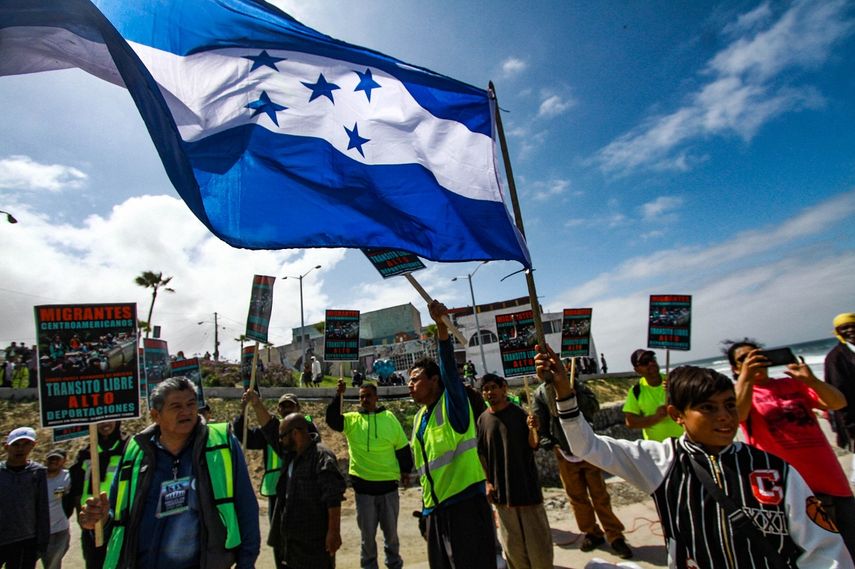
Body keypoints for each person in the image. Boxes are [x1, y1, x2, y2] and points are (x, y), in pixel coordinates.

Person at [535, 343, 854, 569]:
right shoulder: (659, 461)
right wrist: (565, 393)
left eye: (730, 405)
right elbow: (586, 446)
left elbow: (825, 551)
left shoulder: (775, 470)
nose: (725, 417)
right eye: (708, 408)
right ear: (677, 415)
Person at [79, 377, 260, 569]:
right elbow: (117, 518)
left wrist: (246, 564)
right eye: (176, 406)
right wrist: (98, 519)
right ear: (155, 415)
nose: (187, 412)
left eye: (191, 404)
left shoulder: (220, 444)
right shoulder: (136, 451)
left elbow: (246, 508)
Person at [729, 339, 855, 559]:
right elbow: (737, 415)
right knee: (808, 554)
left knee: (849, 543)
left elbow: (838, 403)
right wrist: (746, 379)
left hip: (830, 480)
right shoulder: (738, 395)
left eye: (757, 355)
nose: (754, 361)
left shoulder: (793, 384)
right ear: (735, 368)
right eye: (744, 359)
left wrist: (811, 380)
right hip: (785, 487)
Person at [408, 300, 495, 569]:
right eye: (409, 380)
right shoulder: (419, 418)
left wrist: (441, 331)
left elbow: (449, 372)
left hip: (465, 507)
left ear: (435, 381)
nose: (410, 385)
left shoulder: (453, 404)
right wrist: (426, 510)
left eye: (416, 379)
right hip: (435, 510)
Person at [532, 366, 632, 559]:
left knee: (599, 494)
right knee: (576, 497)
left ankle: (615, 535)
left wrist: (573, 392)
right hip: (564, 452)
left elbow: (593, 407)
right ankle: (591, 532)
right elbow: (541, 422)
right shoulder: (540, 394)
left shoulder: (576, 385)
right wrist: (550, 443)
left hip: (587, 450)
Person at [326, 381, 413, 569]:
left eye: (368, 396)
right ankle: (369, 566)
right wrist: (338, 396)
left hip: (388, 489)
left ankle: (394, 564)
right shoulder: (351, 420)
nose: (365, 399)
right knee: (367, 538)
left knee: (391, 536)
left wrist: (406, 471)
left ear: (376, 398)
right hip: (363, 491)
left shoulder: (390, 418)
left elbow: (402, 447)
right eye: (361, 396)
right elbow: (332, 420)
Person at [477, 373, 553, 569]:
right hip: (502, 497)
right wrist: (487, 482)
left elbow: (533, 444)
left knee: (539, 550)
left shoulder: (520, 414)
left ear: (504, 388)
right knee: (513, 551)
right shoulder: (483, 421)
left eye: (493, 387)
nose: (489, 392)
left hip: (527, 492)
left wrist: (533, 429)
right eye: (485, 389)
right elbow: (482, 456)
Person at [268, 413, 346, 569]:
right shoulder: (291, 456)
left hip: (314, 545)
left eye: (282, 436)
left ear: (295, 434)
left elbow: (333, 497)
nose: (280, 441)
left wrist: (333, 532)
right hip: (291, 544)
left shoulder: (321, 456)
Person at [234, 391, 317, 521]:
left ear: (298, 408)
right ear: (278, 409)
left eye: (291, 406)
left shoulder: (305, 426)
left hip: (300, 487)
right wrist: (243, 412)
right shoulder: (271, 430)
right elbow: (247, 438)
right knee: (277, 530)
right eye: (283, 406)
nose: (287, 409)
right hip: (276, 488)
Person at [68, 421, 128, 569]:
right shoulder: (85, 453)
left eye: (109, 419)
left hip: (119, 520)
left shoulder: (127, 448)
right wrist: (82, 519)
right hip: (92, 521)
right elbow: (76, 490)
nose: (105, 424)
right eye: (99, 421)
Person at [0, 427, 50, 569]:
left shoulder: (38, 472)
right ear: (6, 447)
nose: (20, 449)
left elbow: (42, 507)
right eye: (16, 445)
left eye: (25, 444)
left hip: (25, 539)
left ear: (33, 446)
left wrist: (42, 541)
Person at [622, 349, 683, 441]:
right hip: (656, 449)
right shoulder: (636, 391)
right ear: (637, 370)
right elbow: (630, 422)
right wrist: (656, 417)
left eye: (652, 359)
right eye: (644, 362)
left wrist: (675, 390)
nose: (651, 363)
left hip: (683, 443)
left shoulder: (673, 381)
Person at [825, 313, 855, 474]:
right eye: (844, 328)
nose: (850, 330)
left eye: (853, 326)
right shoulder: (835, 358)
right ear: (838, 332)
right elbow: (839, 393)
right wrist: (850, 428)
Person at [41, 448, 74, 569]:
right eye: (51, 458)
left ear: (64, 461)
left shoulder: (68, 477)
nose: (53, 461)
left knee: (53, 565)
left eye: (57, 459)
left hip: (59, 531)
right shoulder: (37, 476)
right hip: (38, 531)